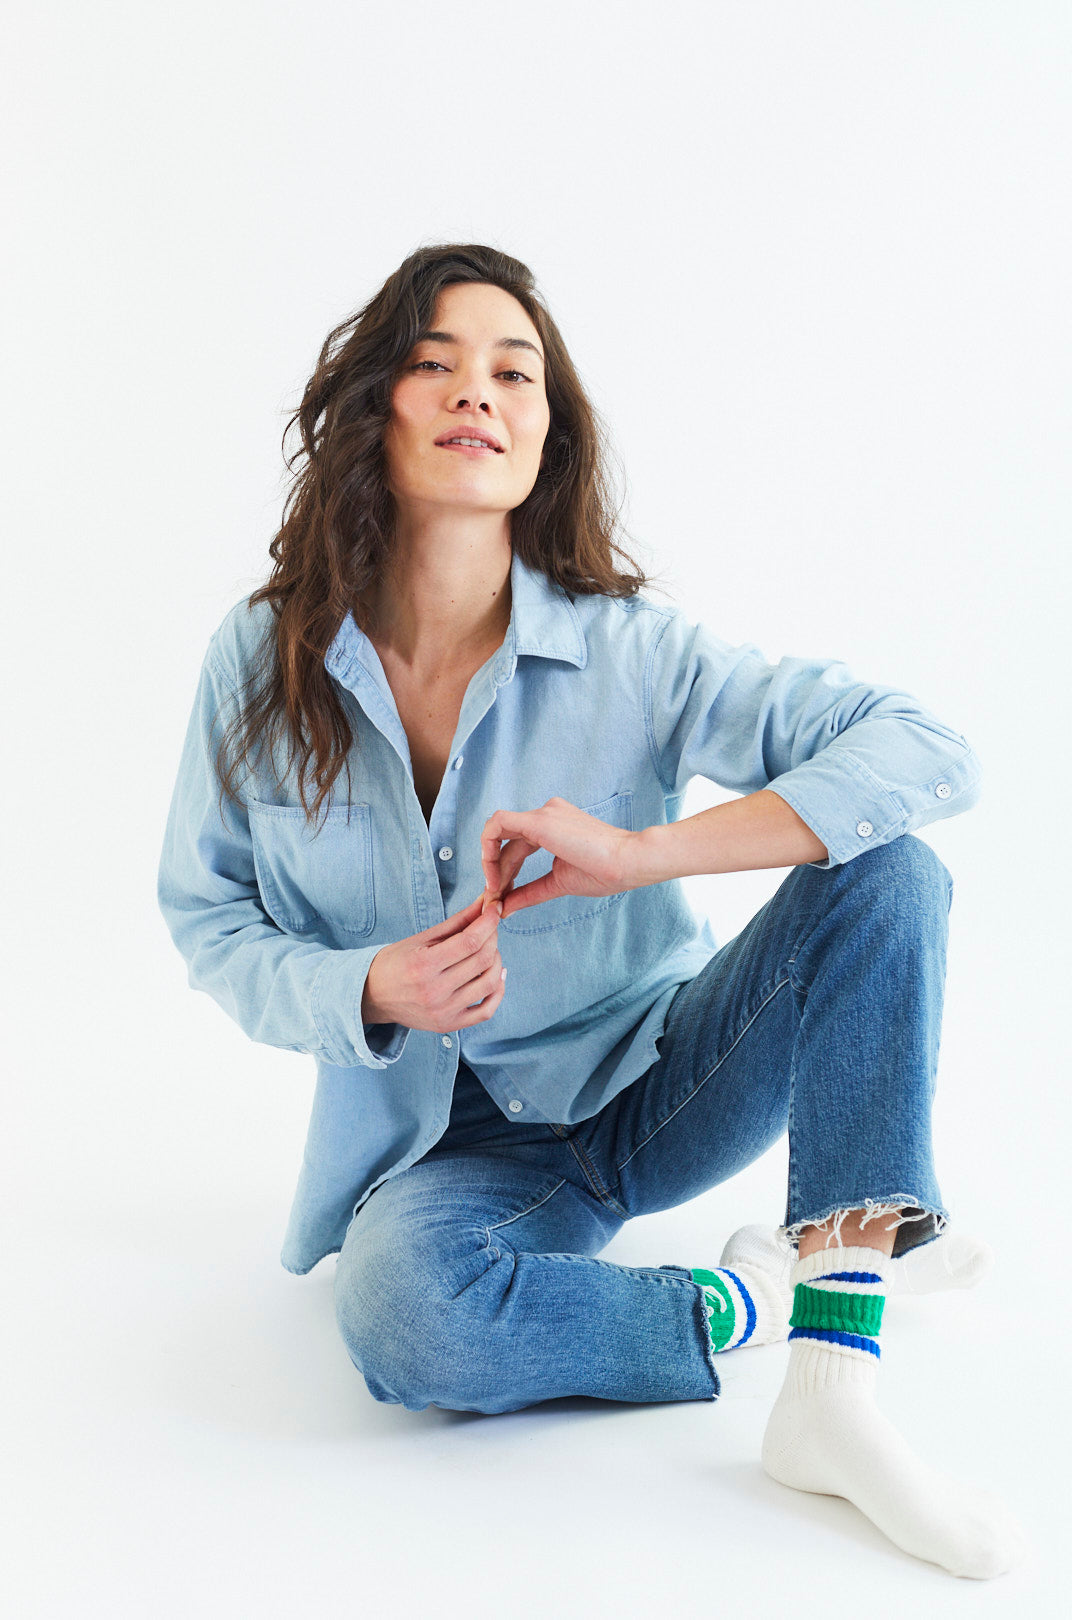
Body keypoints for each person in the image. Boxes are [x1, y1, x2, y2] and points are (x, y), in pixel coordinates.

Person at [157, 243, 1023, 1579]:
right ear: (375, 405)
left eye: (516, 371)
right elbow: (210, 919)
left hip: (660, 1083)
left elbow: (921, 748)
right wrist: (373, 987)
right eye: (435, 363)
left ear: (547, 435)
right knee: (402, 1319)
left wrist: (645, 852)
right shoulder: (260, 663)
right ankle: (760, 1298)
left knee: (888, 869)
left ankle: (833, 1382)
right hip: (446, 1159)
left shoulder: (631, 652)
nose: (478, 393)